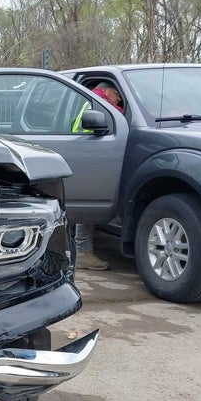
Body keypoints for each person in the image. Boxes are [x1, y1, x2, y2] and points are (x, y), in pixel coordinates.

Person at [74, 80, 122, 271]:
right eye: (117, 94)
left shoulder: (91, 100)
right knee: (88, 204)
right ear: (106, 91)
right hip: (89, 156)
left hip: (84, 154)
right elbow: (116, 120)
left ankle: (73, 248)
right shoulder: (97, 102)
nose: (118, 98)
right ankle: (83, 251)